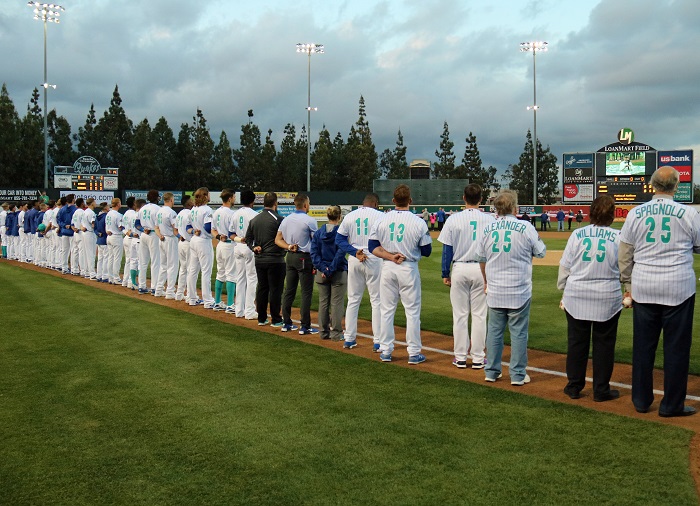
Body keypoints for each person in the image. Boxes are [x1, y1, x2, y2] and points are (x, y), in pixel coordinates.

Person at [619, 166, 700, 417]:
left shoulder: (636, 213)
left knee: (643, 348)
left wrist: (627, 284)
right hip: (678, 287)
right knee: (676, 349)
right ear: (676, 186)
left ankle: (642, 401)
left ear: (652, 185)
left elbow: (624, 254)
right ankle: (671, 405)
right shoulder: (689, 213)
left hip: (644, 286)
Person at [478, 190, 546, 385]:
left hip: (496, 288)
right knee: (518, 333)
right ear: (514, 208)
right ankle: (517, 375)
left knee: (494, 331)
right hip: (519, 289)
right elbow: (541, 252)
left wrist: (486, 281)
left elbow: (481, 259)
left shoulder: (488, 228)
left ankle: (491, 371)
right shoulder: (525, 227)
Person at [558, 195, 622, 402]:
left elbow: (565, 266)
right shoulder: (618, 237)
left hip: (577, 295)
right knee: (604, 345)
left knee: (577, 343)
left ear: (591, 213)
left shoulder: (577, 235)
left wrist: (563, 289)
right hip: (607, 296)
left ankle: (574, 386)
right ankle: (601, 390)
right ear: (612, 214)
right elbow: (625, 270)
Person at [369, 184, 432, 364]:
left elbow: (372, 247)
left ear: (393, 201)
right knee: (412, 312)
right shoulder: (418, 221)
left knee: (386, 310)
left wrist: (390, 255)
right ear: (410, 201)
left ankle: (386, 350)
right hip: (408, 267)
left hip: (388, 266)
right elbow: (426, 250)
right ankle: (413, 353)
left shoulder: (382, 219)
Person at [439, 184, 496, 369]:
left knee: (460, 315)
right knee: (479, 315)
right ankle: (478, 358)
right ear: (481, 199)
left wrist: (445, 273)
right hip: (482, 269)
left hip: (460, 268)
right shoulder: (490, 220)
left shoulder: (453, 219)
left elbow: (447, 250)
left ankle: (460, 357)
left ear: (464, 198)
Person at [336, 193, 384, 350]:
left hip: (355, 258)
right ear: (375, 203)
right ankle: (377, 341)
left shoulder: (351, 215)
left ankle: (349, 338)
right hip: (374, 258)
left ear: (363, 203)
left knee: (353, 299)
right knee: (376, 300)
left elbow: (339, 240)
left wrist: (354, 251)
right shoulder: (380, 216)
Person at [276, 193, 318, 334]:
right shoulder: (309, 220)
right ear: (305, 205)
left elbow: (278, 240)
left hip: (290, 256)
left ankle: (286, 323)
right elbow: (316, 242)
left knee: (289, 290)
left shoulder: (286, 220)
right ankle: (305, 326)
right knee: (306, 292)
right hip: (304, 258)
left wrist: (288, 246)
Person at [245, 192, 286, 327]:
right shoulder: (279, 219)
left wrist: (254, 247)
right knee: (275, 290)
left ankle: (261, 318)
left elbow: (248, 239)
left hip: (260, 259)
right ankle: (276, 319)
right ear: (275, 203)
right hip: (275, 259)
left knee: (262, 288)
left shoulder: (254, 219)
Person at [310, 205, 348, 341]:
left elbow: (314, 253)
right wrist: (330, 269)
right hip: (338, 271)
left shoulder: (319, 233)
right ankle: (336, 334)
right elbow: (340, 253)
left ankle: (323, 332)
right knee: (337, 303)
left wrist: (323, 268)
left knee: (323, 302)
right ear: (339, 217)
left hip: (322, 272)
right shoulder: (341, 233)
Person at [231, 190, 259, 318]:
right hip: (249, 247)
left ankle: (239, 310)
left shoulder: (235, 214)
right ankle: (249, 311)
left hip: (238, 247)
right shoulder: (254, 214)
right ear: (252, 201)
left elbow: (231, 234)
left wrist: (239, 239)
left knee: (240, 279)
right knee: (252, 278)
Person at [187, 187, 215, 308]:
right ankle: (208, 300)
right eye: (208, 194)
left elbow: (188, 227)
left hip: (194, 240)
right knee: (206, 271)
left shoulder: (193, 209)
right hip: (203, 241)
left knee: (193, 270)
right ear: (205, 196)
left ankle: (192, 298)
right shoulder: (207, 209)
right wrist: (216, 233)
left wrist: (193, 230)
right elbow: (208, 227)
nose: (209, 196)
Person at [211, 189, 236, 310]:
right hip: (229, 245)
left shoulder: (216, 212)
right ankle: (230, 304)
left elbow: (213, 230)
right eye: (234, 197)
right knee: (231, 274)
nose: (235, 199)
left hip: (220, 244)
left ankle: (217, 302)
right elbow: (234, 232)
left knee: (220, 273)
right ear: (230, 198)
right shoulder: (231, 214)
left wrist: (218, 236)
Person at [136, 190, 162, 295]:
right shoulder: (158, 209)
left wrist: (142, 230)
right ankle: (154, 287)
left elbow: (137, 224)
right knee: (155, 261)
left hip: (144, 235)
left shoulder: (142, 208)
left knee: (143, 261)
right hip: (153, 235)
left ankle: (142, 286)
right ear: (157, 198)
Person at [155, 192, 179, 299]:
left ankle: (159, 289)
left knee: (163, 265)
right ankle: (170, 291)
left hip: (162, 239)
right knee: (172, 266)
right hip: (170, 239)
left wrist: (160, 236)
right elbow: (175, 229)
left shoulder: (159, 211)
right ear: (171, 200)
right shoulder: (171, 212)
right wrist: (182, 237)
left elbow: (156, 227)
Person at [174, 194, 193, 301]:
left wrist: (179, 236)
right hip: (189, 243)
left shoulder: (179, 214)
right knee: (191, 269)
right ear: (189, 203)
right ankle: (190, 295)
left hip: (181, 243)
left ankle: (179, 293)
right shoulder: (190, 214)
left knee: (183, 269)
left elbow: (175, 230)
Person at [121, 197, 139, 289]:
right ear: (134, 204)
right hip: (133, 238)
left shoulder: (126, 213)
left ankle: (125, 280)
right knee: (135, 261)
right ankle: (131, 282)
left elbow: (123, 228)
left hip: (126, 237)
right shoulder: (134, 214)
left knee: (128, 260)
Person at [105, 198, 124, 285]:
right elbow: (120, 227)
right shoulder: (118, 215)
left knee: (110, 257)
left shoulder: (108, 213)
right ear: (118, 204)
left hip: (109, 236)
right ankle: (116, 278)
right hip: (116, 236)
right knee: (117, 258)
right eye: (120, 203)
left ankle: (110, 277)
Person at [81, 198, 98, 280]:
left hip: (84, 233)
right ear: (91, 203)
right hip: (90, 233)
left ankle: (87, 272)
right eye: (94, 202)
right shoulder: (91, 213)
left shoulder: (85, 211)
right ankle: (92, 273)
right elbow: (93, 225)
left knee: (86, 253)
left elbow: (81, 224)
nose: (95, 203)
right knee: (91, 253)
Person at [70, 198, 86, 276]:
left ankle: (74, 269)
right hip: (80, 233)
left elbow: (72, 224)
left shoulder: (75, 212)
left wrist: (74, 229)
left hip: (75, 233)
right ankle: (83, 270)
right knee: (81, 252)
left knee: (75, 251)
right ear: (82, 203)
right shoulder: (82, 212)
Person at [94, 202, 109, 282]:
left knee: (100, 259)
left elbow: (95, 229)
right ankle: (105, 276)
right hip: (105, 239)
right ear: (105, 208)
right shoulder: (106, 216)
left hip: (99, 239)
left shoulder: (97, 216)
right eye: (107, 206)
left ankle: (99, 275)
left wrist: (98, 234)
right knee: (106, 258)